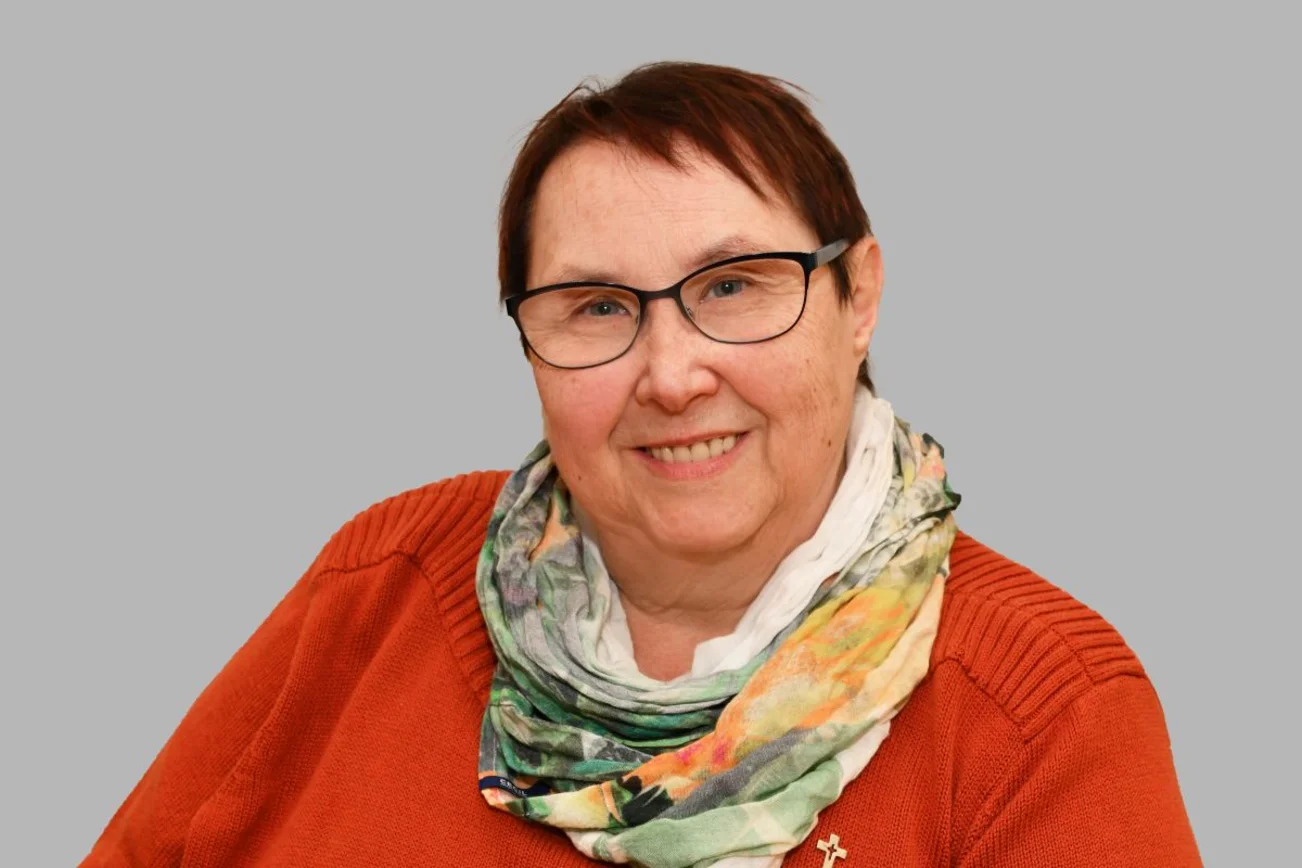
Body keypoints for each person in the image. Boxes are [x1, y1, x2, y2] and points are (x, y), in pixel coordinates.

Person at [80, 61, 1202, 867]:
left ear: (858, 296)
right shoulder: (380, 587)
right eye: (597, 305)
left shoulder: (1039, 716)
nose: (670, 375)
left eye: (733, 286)